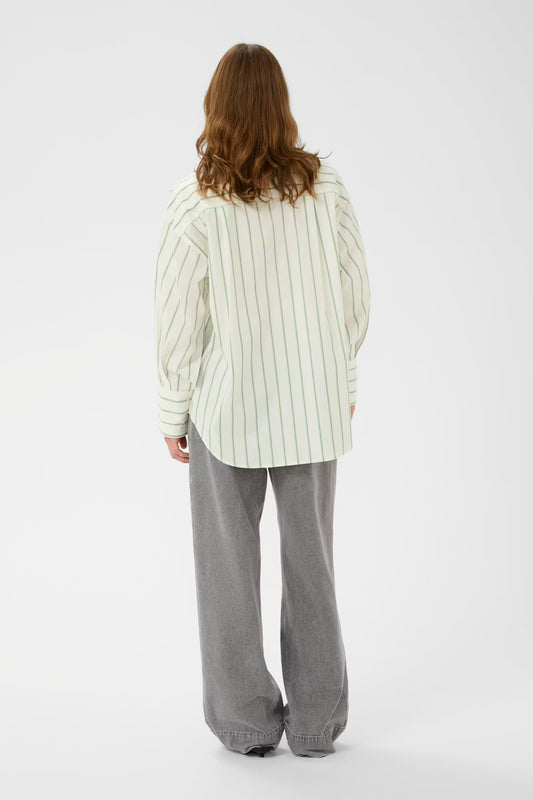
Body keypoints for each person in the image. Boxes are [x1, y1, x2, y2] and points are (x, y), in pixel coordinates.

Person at [153, 42, 371, 758]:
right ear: (281, 104)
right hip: (311, 406)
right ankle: (316, 724)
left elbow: (178, 320)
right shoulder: (325, 189)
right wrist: (339, 383)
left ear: (214, 107)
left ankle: (246, 724)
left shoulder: (194, 203)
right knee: (313, 563)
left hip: (226, 410)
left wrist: (172, 410)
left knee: (226, 571)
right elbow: (353, 297)